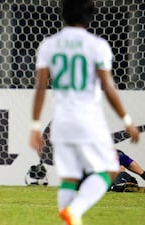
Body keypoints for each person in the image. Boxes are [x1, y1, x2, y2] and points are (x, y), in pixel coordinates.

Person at [29, 0, 140, 224]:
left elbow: (40, 86)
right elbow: (108, 87)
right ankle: (76, 210)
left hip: (61, 121)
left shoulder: (49, 45)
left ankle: (71, 215)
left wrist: (35, 126)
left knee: (70, 178)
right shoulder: (97, 45)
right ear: (90, 17)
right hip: (88, 119)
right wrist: (127, 120)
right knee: (110, 168)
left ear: (63, 14)